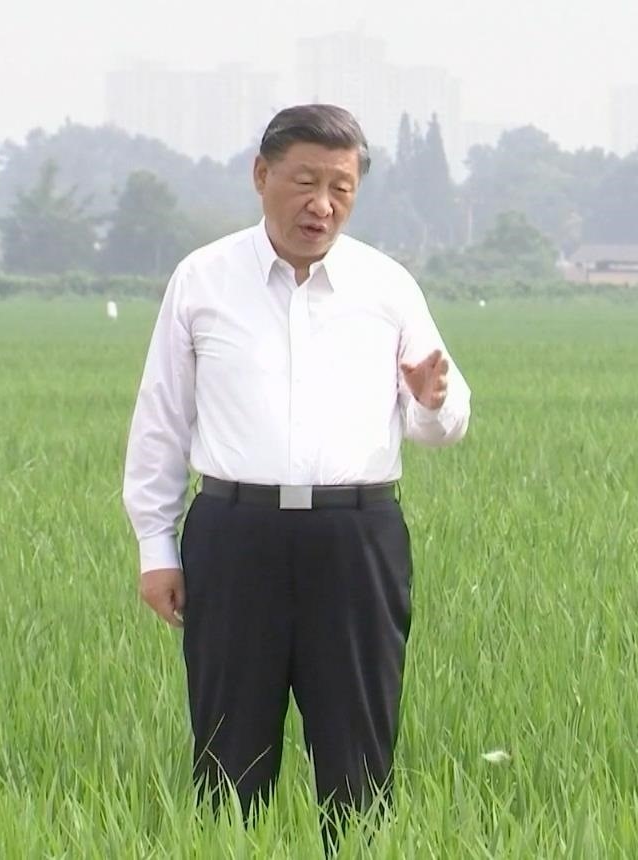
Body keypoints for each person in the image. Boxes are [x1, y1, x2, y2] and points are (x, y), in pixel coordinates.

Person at [121, 104, 471, 846]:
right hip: (233, 534)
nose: (323, 204)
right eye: (306, 182)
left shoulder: (386, 285)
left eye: (342, 188)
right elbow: (162, 420)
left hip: (357, 538)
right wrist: (156, 547)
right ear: (261, 175)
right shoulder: (203, 279)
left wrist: (431, 398)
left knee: (359, 754)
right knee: (227, 755)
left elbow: (441, 423)